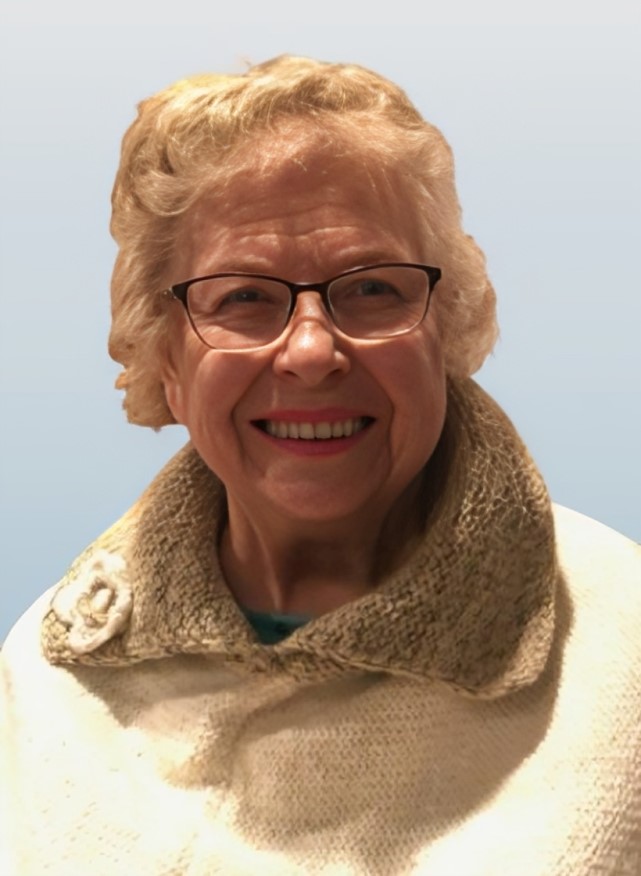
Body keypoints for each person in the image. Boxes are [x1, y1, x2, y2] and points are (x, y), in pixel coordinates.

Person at [1, 55, 640, 876]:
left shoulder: (622, 654)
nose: (310, 351)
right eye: (242, 297)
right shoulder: (47, 673)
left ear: (448, 323)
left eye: (371, 289)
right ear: (164, 356)